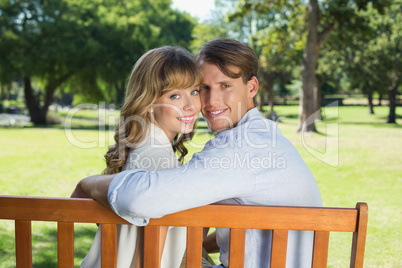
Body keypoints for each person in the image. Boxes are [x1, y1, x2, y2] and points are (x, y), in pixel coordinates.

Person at [72, 39, 322, 268]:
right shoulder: (264, 136)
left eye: (225, 86)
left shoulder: (239, 147)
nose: (210, 101)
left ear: (252, 87)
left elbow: (138, 200)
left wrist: (88, 184)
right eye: (202, 87)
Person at [78, 45, 204, 268]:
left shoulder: (144, 148)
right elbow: (147, 259)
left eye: (194, 91)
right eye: (175, 95)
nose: (191, 106)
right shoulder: (159, 162)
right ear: (148, 103)